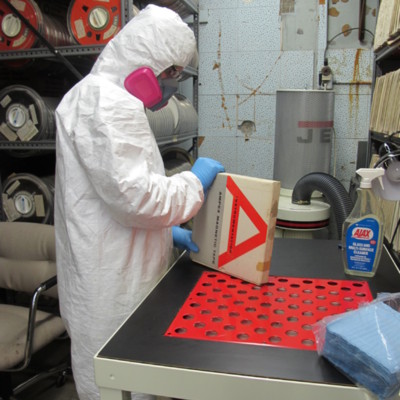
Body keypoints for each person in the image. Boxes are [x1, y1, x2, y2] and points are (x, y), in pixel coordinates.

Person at [54, 5, 224, 400]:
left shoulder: (108, 99)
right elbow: (136, 198)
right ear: (145, 64)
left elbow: (120, 190)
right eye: (170, 75)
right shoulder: (105, 104)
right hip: (109, 289)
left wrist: (166, 233)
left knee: (137, 381)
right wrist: (192, 183)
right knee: (114, 386)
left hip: (120, 270)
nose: (171, 87)